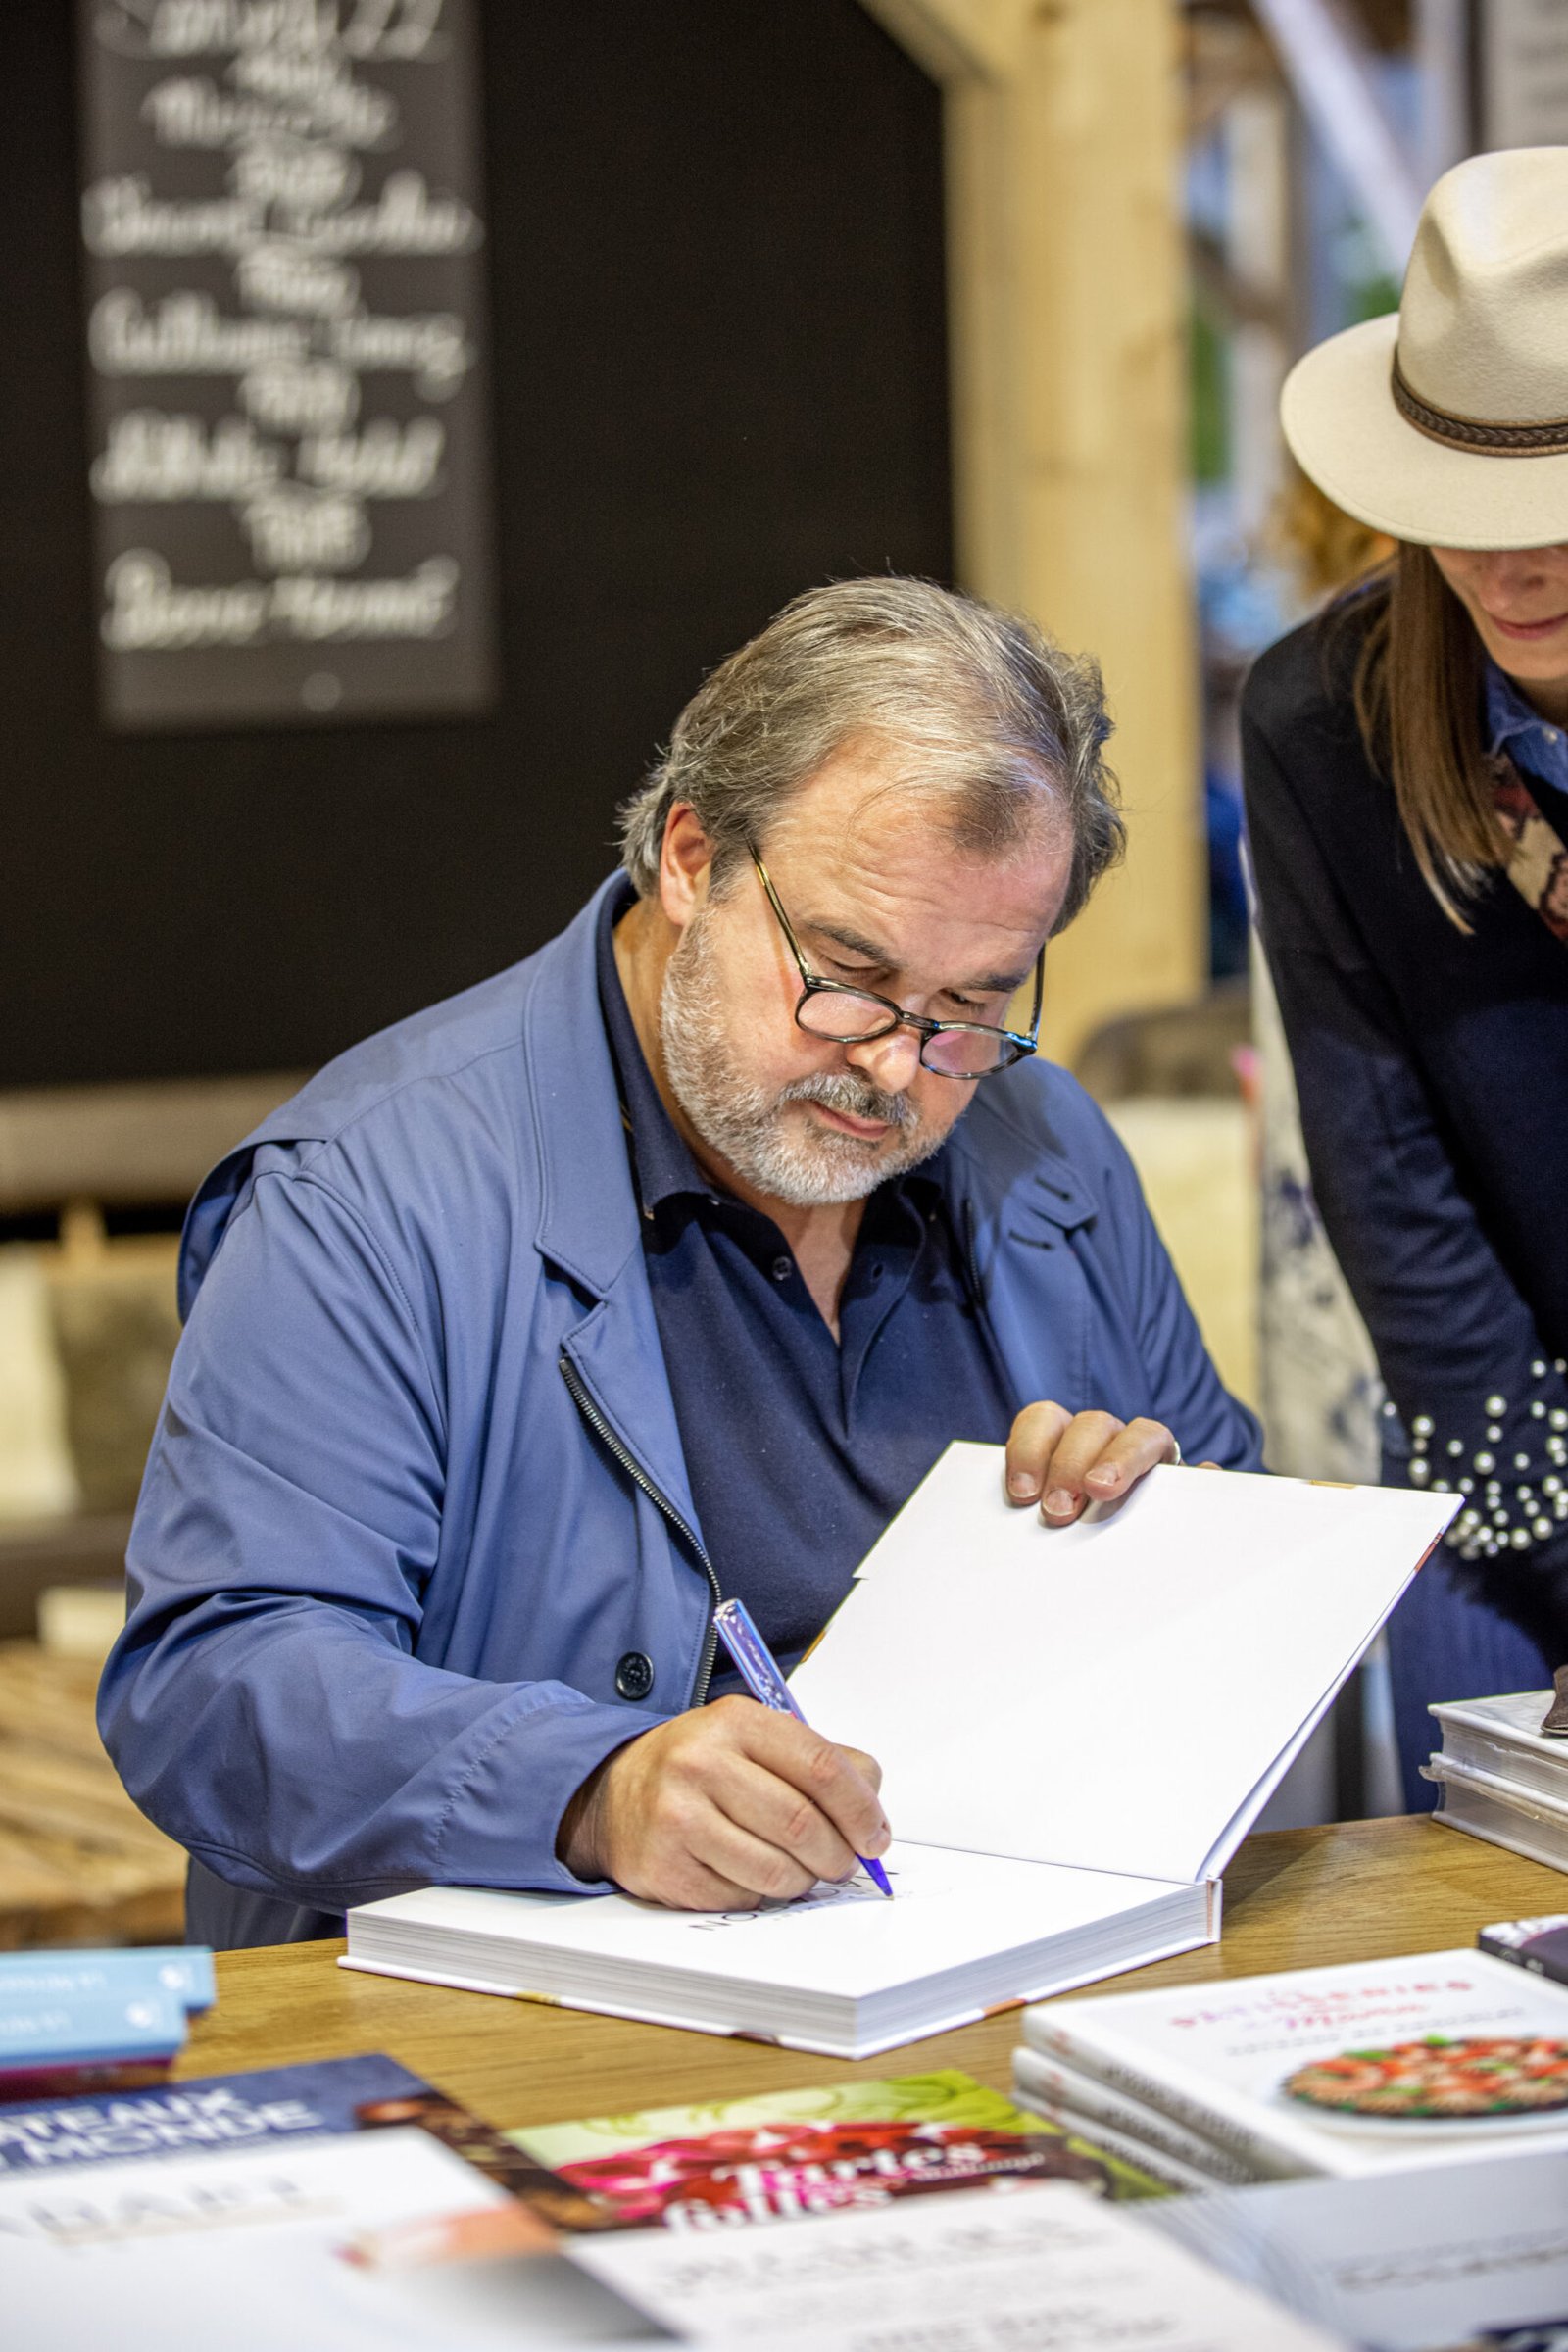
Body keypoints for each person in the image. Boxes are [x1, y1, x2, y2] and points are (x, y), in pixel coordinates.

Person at [101, 578, 1261, 1947]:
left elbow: (1243, 1548)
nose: (897, 1065)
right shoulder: (372, 1193)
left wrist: (1157, 1540)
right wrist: (589, 1789)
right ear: (691, 858)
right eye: (847, 971)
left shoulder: (1043, 1145)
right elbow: (213, 1685)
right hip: (512, 2045)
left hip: (970, 1975)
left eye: (973, 1003)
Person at [1242, 147, 1568, 1805]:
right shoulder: (1323, 719)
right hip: (1493, 1434)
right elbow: (1382, 1162)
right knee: (1469, 1928)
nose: (1509, 575)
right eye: (1465, 522)